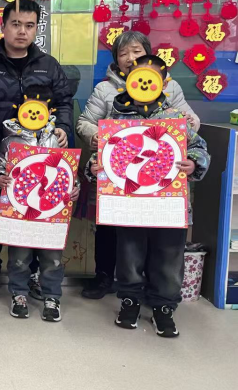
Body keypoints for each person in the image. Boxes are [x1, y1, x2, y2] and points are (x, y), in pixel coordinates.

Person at [85, 55, 209, 338]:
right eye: (137, 77)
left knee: (169, 256)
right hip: (129, 204)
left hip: (168, 205)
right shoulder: (115, 119)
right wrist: (93, 167)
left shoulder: (176, 118)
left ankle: (164, 307)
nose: (143, 83)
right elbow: (103, 155)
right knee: (129, 253)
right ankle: (129, 301)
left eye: (151, 78)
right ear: (128, 81)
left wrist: (194, 163)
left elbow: (199, 148)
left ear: (163, 83)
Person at [0, 0, 73, 300]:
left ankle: (32, 273)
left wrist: (63, 128)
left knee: (34, 213)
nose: (22, 31)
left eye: (29, 25)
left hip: (40, 161)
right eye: (16, 24)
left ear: (36, 29)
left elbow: (64, 102)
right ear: (3, 25)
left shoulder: (49, 66)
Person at [76, 30, 200, 299]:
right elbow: (84, 122)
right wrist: (97, 136)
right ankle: (106, 278)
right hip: (117, 175)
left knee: (154, 235)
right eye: (123, 53)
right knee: (110, 228)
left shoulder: (170, 87)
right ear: (116, 59)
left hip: (157, 176)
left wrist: (186, 126)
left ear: (148, 55)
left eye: (136, 52)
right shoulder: (105, 89)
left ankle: (152, 290)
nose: (130, 58)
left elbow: (191, 123)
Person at [0, 85, 80, 322]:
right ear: (20, 108)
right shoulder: (10, 141)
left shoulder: (58, 140)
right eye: (29, 107)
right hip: (19, 210)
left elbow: (68, 170)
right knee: (19, 257)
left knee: (52, 258)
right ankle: (18, 294)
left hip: (51, 212)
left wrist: (74, 188)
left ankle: (52, 296)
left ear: (49, 111)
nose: (35, 113)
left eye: (41, 108)